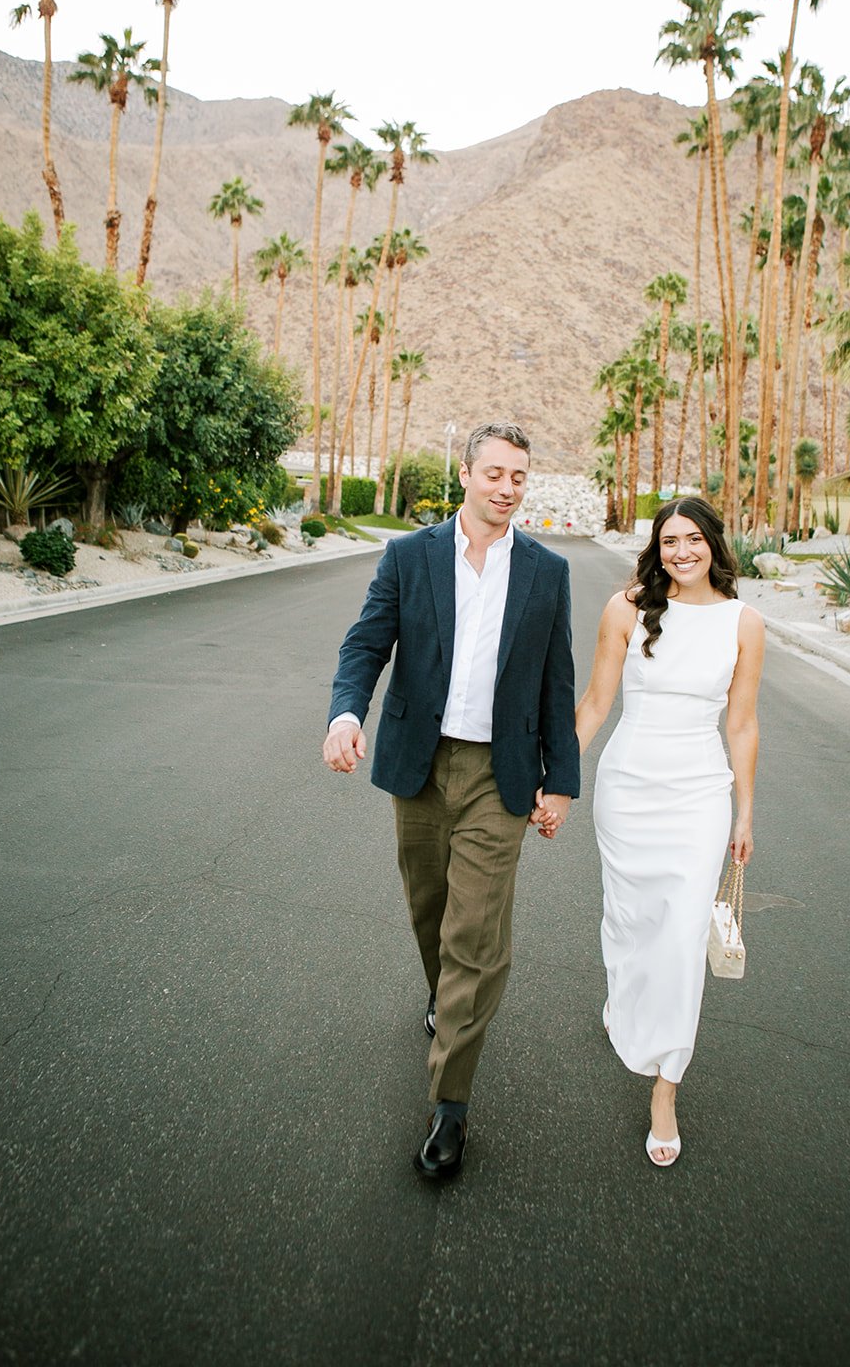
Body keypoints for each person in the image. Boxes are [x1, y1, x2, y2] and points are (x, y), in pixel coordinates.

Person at [323, 422, 579, 1180]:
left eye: (519, 477)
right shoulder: (410, 556)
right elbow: (365, 644)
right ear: (465, 474)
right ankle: (446, 998)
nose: (506, 488)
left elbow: (556, 679)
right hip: (419, 764)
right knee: (429, 909)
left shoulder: (546, 570)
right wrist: (345, 713)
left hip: (500, 776)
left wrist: (559, 779)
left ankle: (450, 1107)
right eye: (494, 473)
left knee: (475, 933)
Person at [575, 497, 764, 1168]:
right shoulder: (625, 607)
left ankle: (664, 1089)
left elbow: (739, 724)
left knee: (682, 937)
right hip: (627, 788)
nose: (681, 552)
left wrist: (743, 812)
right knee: (631, 920)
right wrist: (556, 780)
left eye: (692, 539)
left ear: (713, 542)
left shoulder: (744, 623)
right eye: (668, 541)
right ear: (656, 548)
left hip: (699, 796)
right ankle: (622, 999)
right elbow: (596, 701)